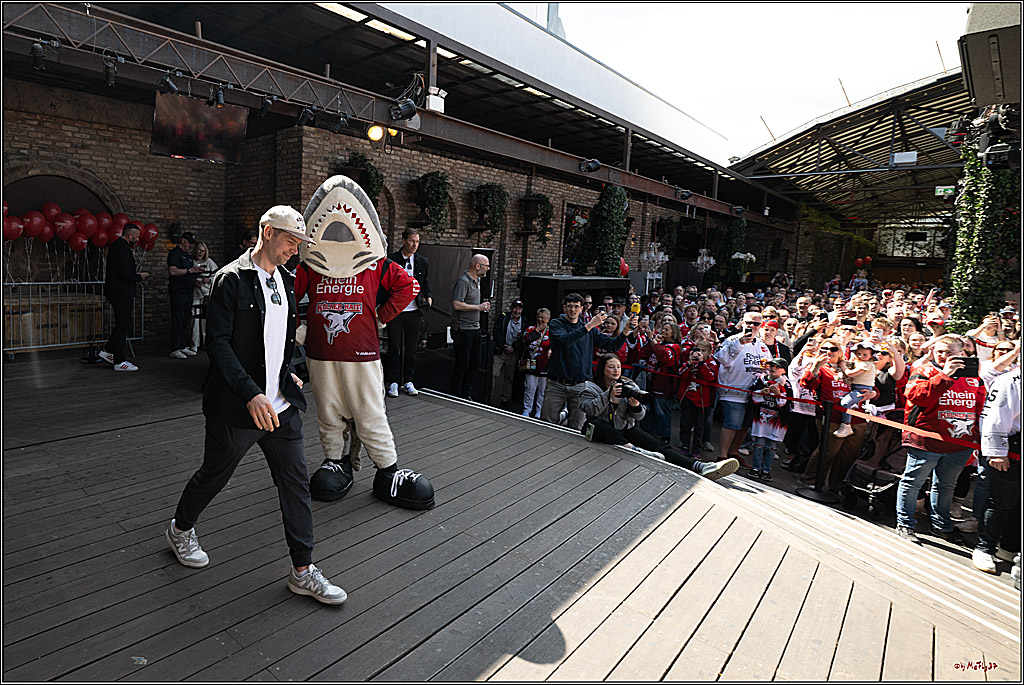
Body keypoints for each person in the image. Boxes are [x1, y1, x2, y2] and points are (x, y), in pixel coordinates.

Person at [166, 206, 347, 604]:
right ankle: (180, 529)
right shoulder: (228, 279)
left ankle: (303, 569)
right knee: (214, 474)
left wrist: (288, 372)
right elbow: (218, 344)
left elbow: (281, 341)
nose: (294, 250)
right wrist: (251, 392)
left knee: (296, 482)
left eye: (299, 244)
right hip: (237, 406)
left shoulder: (287, 280)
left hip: (280, 406)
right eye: (290, 241)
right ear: (267, 232)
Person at [295, 177, 433, 510]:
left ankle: (387, 470)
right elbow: (286, 298)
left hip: (362, 354)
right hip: (321, 354)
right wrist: (299, 331)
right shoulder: (310, 266)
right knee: (328, 411)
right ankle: (336, 460)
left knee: (370, 413)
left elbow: (409, 287)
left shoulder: (376, 264)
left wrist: (381, 316)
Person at [580, 353, 738, 481]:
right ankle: (635, 450)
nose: (616, 371)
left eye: (619, 367)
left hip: (623, 429)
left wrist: (635, 406)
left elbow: (640, 416)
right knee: (596, 424)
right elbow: (590, 411)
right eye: (611, 367)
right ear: (602, 369)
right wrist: (608, 394)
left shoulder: (629, 385)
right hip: (598, 430)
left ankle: (700, 466)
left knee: (658, 445)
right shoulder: (591, 387)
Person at [894, 335, 986, 545]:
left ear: (962, 353)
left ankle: (941, 526)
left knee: (945, 486)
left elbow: (979, 409)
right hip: (926, 440)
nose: (944, 356)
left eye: (950, 352)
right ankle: (905, 523)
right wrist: (945, 375)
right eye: (940, 352)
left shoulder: (974, 377)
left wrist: (978, 440)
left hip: (960, 443)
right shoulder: (923, 371)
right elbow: (916, 396)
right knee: (912, 482)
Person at [541, 293, 634, 430]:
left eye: (576, 307)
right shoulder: (557, 324)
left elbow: (612, 345)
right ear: (564, 308)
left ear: (581, 309)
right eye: (570, 306)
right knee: (547, 423)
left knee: (578, 425)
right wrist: (589, 326)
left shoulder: (589, 328)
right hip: (557, 384)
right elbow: (564, 340)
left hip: (580, 385)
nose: (573, 310)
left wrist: (625, 331)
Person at [972, 367, 1021, 576]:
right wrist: (997, 453)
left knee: (1018, 504)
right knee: (1001, 501)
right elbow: (996, 417)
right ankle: (985, 548)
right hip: (1012, 448)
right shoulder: (1011, 381)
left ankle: (1008, 547)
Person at [715, 311, 772, 465]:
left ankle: (733, 453)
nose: (752, 326)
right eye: (749, 323)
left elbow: (768, 367)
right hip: (733, 392)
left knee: (744, 426)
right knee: (731, 425)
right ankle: (722, 455)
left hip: (754, 394)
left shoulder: (762, 345)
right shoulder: (731, 340)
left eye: (756, 324)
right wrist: (740, 343)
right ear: (742, 323)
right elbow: (722, 358)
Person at [385, 228, 431, 397]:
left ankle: (409, 381)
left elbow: (425, 282)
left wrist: (428, 296)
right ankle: (393, 382)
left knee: (411, 348)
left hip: (414, 310)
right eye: (412, 241)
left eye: (417, 242)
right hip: (395, 311)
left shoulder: (422, 261)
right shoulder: (391, 259)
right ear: (403, 241)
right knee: (394, 347)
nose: (414, 245)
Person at [99, 223, 149, 371]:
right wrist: (139, 277)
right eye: (137, 237)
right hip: (120, 292)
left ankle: (108, 350)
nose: (138, 239)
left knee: (125, 322)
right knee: (123, 324)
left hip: (119, 291)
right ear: (130, 235)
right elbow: (125, 273)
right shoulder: (121, 248)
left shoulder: (120, 247)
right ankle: (119, 361)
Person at [450, 254, 490, 400]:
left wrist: (481, 307)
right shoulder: (463, 281)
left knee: (475, 363)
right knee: (462, 364)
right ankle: (456, 394)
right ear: (477, 266)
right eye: (486, 265)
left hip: (475, 328)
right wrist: (478, 307)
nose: (488, 268)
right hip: (464, 329)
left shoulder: (477, 280)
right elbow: (456, 304)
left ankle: (466, 393)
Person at [748, 358, 790, 481]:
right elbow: (751, 394)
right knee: (758, 443)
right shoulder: (762, 379)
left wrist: (778, 395)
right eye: (771, 365)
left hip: (777, 421)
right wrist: (761, 392)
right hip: (761, 418)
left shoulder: (786, 384)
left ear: (783, 370)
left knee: (771, 446)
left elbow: (788, 405)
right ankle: (756, 468)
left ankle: (766, 470)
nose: (773, 368)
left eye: (777, 366)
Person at [676, 341, 717, 456]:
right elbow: (681, 374)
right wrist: (689, 363)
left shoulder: (711, 363)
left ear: (709, 352)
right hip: (688, 397)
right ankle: (684, 445)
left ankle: (696, 449)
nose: (700, 353)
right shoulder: (689, 362)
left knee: (699, 426)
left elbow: (710, 377)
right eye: (698, 350)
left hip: (702, 400)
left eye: (703, 351)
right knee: (685, 423)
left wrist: (701, 364)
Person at [168, 231, 203, 359]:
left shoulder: (187, 256)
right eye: (189, 242)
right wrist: (190, 270)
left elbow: (188, 273)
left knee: (185, 319)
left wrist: (197, 274)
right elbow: (172, 271)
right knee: (178, 319)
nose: (190, 246)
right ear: (183, 240)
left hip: (188, 291)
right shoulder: (175, 253)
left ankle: (183, 345)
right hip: (178, 292)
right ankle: (175, 348)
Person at [833, 340, 879, 438]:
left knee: (845, 403)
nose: (861, 356)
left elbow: (850, 373)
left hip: (862, 388)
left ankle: (846, 425)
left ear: (871, 356)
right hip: (856, 387)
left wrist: (843, 366)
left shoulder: (866, 364)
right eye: (858, 353)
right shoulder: (859, 362)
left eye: (865, 354)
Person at [491, 299, 525, 409]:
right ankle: (490, 396)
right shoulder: (504, 317)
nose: (517, 311)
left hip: (513, 353)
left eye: (519, 309)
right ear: (511, 308)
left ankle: (505, 399)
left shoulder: (524, 321)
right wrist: (503, 345)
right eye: (515, 308)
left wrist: (514, 347)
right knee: (494, 374)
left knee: (509, 377)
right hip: (501, 351)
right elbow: (496, 331)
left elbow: (524, 338)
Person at [188, 241, 218, 355]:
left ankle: (206, 343)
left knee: (205, 320)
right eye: (198, 250)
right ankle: (194, 344)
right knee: (194, 320)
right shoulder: (191, 261)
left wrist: (208, 280)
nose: (200, 253)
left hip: (206, 293)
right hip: (194, 293)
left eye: (202, 251)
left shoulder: (209, 262)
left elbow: (217, 274)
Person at [521, 308, 551, 418]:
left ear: (548, 319)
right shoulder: (530, 329)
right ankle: (526, 410)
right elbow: (525, 341)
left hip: (544, 365)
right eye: (538, 317)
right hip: (531, 364)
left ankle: (539, 410)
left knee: (542, 391)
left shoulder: (551, 332)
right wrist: (537, 330)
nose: (540, 319)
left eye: (543, 317)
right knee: (529, 388)